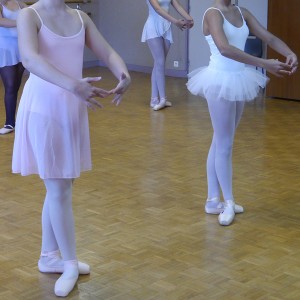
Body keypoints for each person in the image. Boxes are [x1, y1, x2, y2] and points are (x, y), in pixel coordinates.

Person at [12, 0, 131, 297]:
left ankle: (48, 256)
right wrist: (73, 84)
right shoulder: (29, 14)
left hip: (72, 107)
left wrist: (123, 73)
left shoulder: (80, 17)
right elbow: (30, 59)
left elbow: (107, 51)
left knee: (61, 186)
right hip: (44, 107)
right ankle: (68, 262)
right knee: (59, 188)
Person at [187, 0, 298, 226]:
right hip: (219, 80)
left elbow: (268, 36)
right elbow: (225, 48)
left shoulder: (241, 12)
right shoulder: (212, 13)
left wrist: (290, 52)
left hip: (238, 78)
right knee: (225, 144)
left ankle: (212, 200)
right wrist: (264, 63)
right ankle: (227, 202)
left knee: (220, 141)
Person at [142, 0, 194, 111]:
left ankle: (154, 99)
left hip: (166, 26)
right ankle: (162, 99)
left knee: (158, 64)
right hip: (153, 26)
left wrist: (189, 19)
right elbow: (158, 9)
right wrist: (176, 21)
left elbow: (178, 6)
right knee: (160, 62)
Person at [0, 0, 26, 135]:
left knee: (16, 85)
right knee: (10, 85)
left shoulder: (18, 2)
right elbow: (1, 21)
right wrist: (23, 23)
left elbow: (31, 13)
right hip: (5, 48)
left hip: (21, 46)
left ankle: (15, 120)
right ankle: (9, 123)